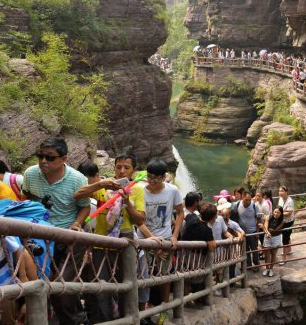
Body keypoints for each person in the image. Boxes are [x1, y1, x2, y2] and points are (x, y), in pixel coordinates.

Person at [22, 138, 91, 325]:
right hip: (39, 238)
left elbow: (85, 207)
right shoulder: (30, 174)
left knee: (64, 288)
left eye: (50, 158)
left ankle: (77, 321)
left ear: (64, 159)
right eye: (41, 156)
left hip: (68, 237)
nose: (44, 161)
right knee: (41, 284)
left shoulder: (77, 179)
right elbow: (26, 197)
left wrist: (77, 223)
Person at [74, 156, 146, 322]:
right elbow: (77, 195)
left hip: (125, 241)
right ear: (114, 168)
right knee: (102, 286)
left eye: (126, 167)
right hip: (101, 241)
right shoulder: (104, 187)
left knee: (126, 285)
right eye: (118, 167)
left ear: (134, 170)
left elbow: (140, 220)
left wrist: (127, 201)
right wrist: (101, 184)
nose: (121, 171)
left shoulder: (138, 190)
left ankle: (125, 319)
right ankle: (105, 320)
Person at [138, 160, 184, 307]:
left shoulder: (172, 191)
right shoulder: (140, 190)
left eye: (155, 178)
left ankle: (164, 306)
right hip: (144, 238)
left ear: (163, 177)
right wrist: (152, 242)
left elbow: (180, 213)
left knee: (165, 275)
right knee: (143, 275)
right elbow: (138, 220)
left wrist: (175, 236)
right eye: (149, 176)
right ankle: (144, 308)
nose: (151, 181)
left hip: (164, 239)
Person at [234, 190, 262, 271]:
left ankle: (256, 264)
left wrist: (257, 232)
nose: (248, 201)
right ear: (242, 197)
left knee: (254, 249)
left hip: (252, 232)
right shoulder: (237, 204)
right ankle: (248, 264)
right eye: (246, 199)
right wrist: (237, 231)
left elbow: (259, 219)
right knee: (245, 250)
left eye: (250, 199)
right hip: (242, 233)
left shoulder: (254, 206)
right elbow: (235, 217)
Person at [263, 206, 285, 276]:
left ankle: (271, 269)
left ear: (281, 214)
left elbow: (276, 229)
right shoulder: (268, 217)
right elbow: (265, 227)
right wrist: (267, 233)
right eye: (275, 212)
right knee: (267, 254)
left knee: (273, 254)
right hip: (267, 237)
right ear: (273, 211)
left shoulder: (282, 220)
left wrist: (272, 231)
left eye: (278, 212)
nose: (276, 214)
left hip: (276, 237)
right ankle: (267, 269)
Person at [278, 186, 295, 265]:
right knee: (287, 236)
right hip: (283, 221)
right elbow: (279, 209)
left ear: (286, 192)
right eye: (279, 191)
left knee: (284, 239)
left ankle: (284, 259)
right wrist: (282, 212)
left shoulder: (290, 201)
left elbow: (288, 213)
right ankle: (289, 250)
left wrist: (281, 213)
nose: (280, 193)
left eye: (282, 191)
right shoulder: (280, 199)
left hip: (288, 222)